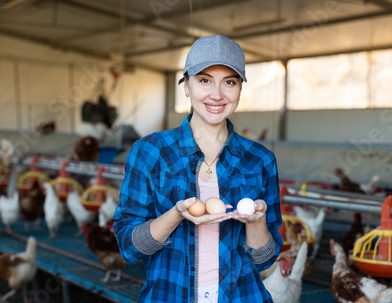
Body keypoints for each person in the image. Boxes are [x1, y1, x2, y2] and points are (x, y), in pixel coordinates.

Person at [114, 34, 283, 303]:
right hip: (169, 295)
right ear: (186, 85)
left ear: (240, 89)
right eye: (204, 80)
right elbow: (129, 248)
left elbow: (265, 259)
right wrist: (176, 214)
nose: (217, 95)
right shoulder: (151, 151)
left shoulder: (260, 159)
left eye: (229, 82)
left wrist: (256, 222)